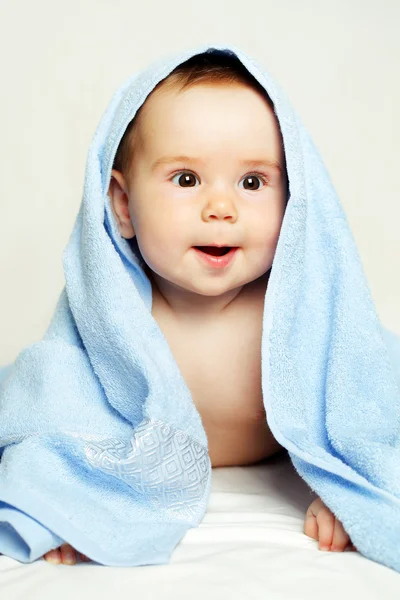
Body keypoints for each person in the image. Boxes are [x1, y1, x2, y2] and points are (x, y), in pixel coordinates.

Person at [42, 52, 355, 564]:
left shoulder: (298, 311)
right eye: (186, 179)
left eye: (252, 182)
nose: (221, 207)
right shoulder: (111, 314)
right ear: (123, 206)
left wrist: (349, 487)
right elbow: (59, 409)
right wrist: (69, 502)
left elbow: (362, 401)